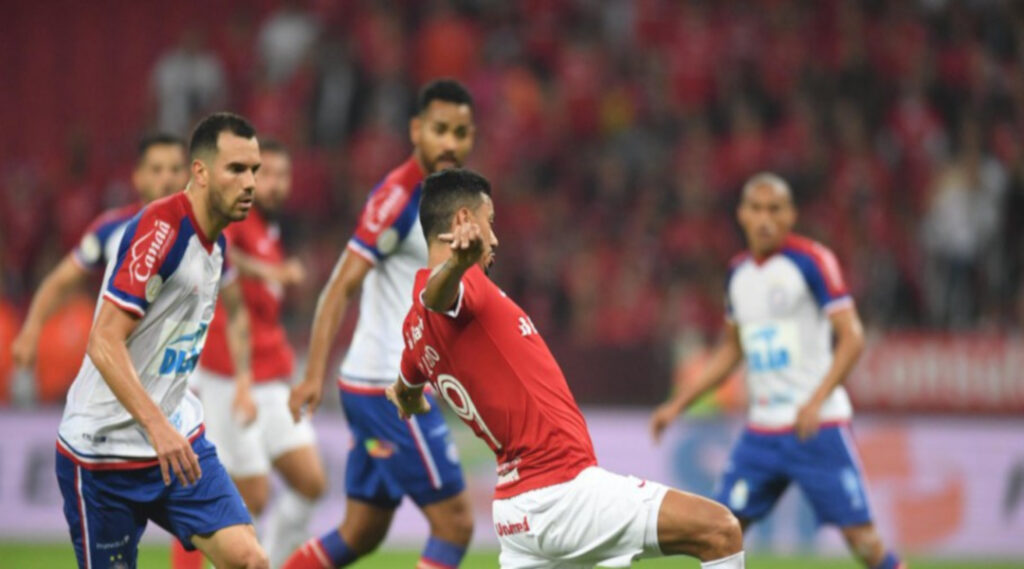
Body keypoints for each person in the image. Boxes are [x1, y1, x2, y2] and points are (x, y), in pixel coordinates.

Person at [388, 169, 745, 569]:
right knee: (720, 530)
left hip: (517, 512)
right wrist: (457, 263)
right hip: (561, 491)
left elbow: (405, 387)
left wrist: (406, 394)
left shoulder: (413, 331)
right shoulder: (461, 285)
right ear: (463, 220)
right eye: (490, 221)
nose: (495, 238)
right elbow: (438, 297)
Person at [649, 173, 905, 569]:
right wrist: (678, 404)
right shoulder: (737, 274)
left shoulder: (812, 261)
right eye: (756, 208)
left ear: (791, 215)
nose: (765, 219)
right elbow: (732, 349)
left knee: (864, 542)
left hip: (817, 426)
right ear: (742, 214)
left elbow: (853, 338)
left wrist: (815, 401)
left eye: (775, 209)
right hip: (763, 431)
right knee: (718, 529)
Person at [55, 112, 268, 569]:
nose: (250, 183)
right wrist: (156, 426)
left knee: (249, 559)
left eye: (255, 170)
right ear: (201, 172)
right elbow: (103, 341)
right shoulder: (161, 228)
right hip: (103, 453)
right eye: (236, 169)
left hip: (176, 436)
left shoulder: (217, 244)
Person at [283, 79, 477, 569]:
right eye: (439, 129)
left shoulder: (451, 200)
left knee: (361, 531)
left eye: (460, 132)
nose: (450, 143)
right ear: (415, 130)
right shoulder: (396, 198)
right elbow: (339, 286)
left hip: (387, 385)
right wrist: (313, 374)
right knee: (455, 524)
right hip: (386, 387)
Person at [191, 139, 325, 568]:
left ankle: (276, 560)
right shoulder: (236, 220)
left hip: (273, 376)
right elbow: (219, 249)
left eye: (284, 176)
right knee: (253, 497)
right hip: (231, 376)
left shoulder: (270, 233)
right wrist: (271, 271)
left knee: (310, 481)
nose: (275, 184)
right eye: (267, 175)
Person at [11, 133, 187, 370]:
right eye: (157, 170)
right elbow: (60, 282)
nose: (167, 179)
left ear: (190, 175)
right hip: (120, 367)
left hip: (177, 370)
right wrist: (31, 329)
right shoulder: (111, 230)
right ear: (138, 177)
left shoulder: (208, 236)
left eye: (175, 169)